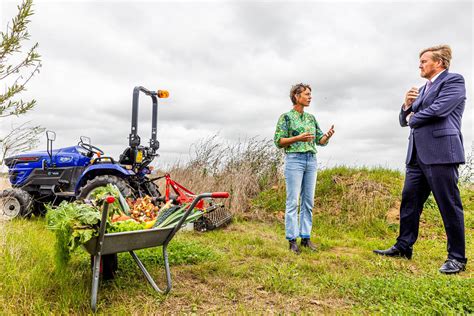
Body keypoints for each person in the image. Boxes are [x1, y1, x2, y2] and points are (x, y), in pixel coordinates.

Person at [373, 45, 467, 274]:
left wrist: (413, 116)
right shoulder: (423, 89)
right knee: (409, 201)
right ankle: (404, 246)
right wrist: (406, 105)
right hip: (416, 155)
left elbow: (438, 110)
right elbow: (403, 120)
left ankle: (457, 258)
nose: (420, 64)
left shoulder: (454, 81)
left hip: (441, 152)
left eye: (424, 61)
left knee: (449, 205)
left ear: (440, 63)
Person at [274, 83, 335, 254]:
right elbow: (278, 141)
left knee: (308, 202)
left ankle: (305, 238)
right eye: (307, 94)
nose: (310, 97)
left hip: (311, 160)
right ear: (296, 96)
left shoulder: (311, 118)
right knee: (293, 201)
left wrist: (326, 136)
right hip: (294, 160)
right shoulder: (285, 117)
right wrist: (298, 138)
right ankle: (292, 240)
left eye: (310, 94)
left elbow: (319, 141)